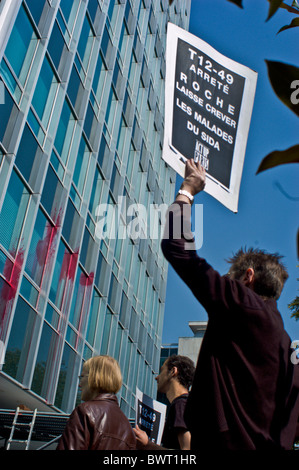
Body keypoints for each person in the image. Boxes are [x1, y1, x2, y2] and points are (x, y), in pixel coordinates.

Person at [161, 159, 299, 450]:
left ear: (247, 277)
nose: (223, 283)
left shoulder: (241, 304)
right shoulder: (287, 347)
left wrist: (187, 190)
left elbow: (177, 248)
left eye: (229, 278)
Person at [57, 355, 136, 450]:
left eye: (82, 376)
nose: (79, 384)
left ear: (94, 377)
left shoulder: (85, 411)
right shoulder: (128, 428)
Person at [134, 354, 195, 450]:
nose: (157, 377)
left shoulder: (180, 405)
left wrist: (147, 444)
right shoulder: (186, 404)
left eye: (162, 371)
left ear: (173, 371)